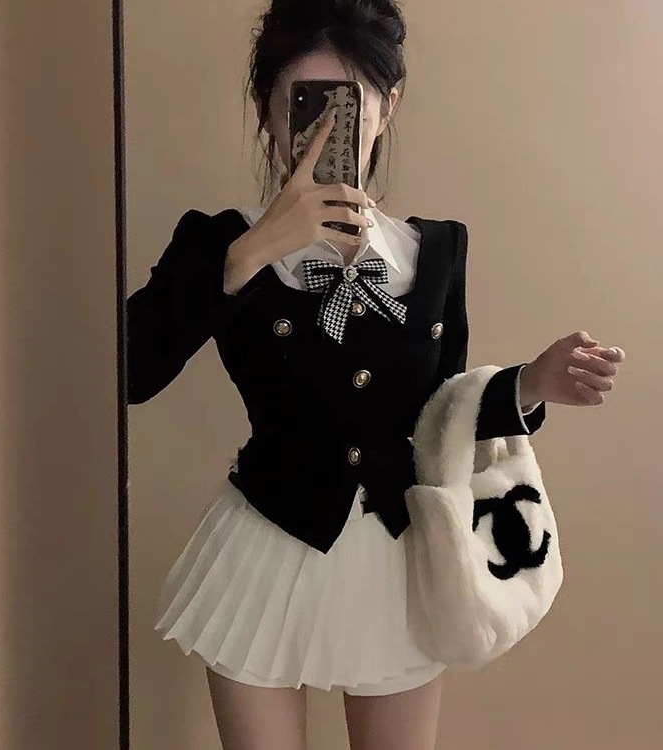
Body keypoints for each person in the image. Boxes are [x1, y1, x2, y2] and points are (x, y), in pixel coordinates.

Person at [126, 2, 625, 748]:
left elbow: (440, 417)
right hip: (266, 547)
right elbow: (127, 371)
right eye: (303, 103)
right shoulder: (219, 243)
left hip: (401, 561)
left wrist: (529, 385)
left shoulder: (436, 253)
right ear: (266, 110)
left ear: (387, 107)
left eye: (350, 103)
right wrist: (254, 252)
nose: (325, 129)